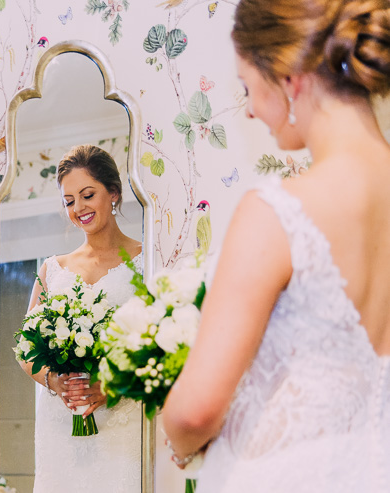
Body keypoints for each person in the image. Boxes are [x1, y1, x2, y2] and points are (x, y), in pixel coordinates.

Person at [161, 1, 390, 491]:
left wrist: (179, 443)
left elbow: (196, 409)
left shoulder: (277, 212)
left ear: (289, 78)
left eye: (247, 86)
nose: (246, 107)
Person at [19, 144, 143, 493]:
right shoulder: (52, 269)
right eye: (69, 201)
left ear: (114, 193)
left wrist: (112, 386)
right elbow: (25, 349)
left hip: (121, 425)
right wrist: (53, 381)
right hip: (61, 427)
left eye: (87, 195)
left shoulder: (150, 261)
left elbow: (163, 349)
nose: (79, 208)